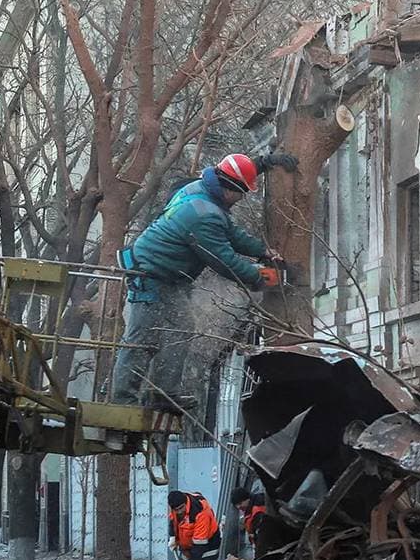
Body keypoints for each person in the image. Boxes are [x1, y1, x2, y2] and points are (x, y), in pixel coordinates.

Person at [109, 153, 294, 409]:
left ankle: (162, 394)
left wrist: (262, 251)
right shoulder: (203, 216)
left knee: (181, 329)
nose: (242, 198)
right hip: (151, 276)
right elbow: (225, 261)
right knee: (141, 341)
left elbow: (231, 233)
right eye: (241, 193)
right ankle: (123, 403)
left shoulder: (200, 189)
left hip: (166, 276)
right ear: (230, 190)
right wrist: (264, 277)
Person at [231, 487, 266, 555]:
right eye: (236, 505)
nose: (238, 507)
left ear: (247, 499)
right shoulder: (250, 508)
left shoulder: (258, 511)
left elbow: (263, 537)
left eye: (240, 503)